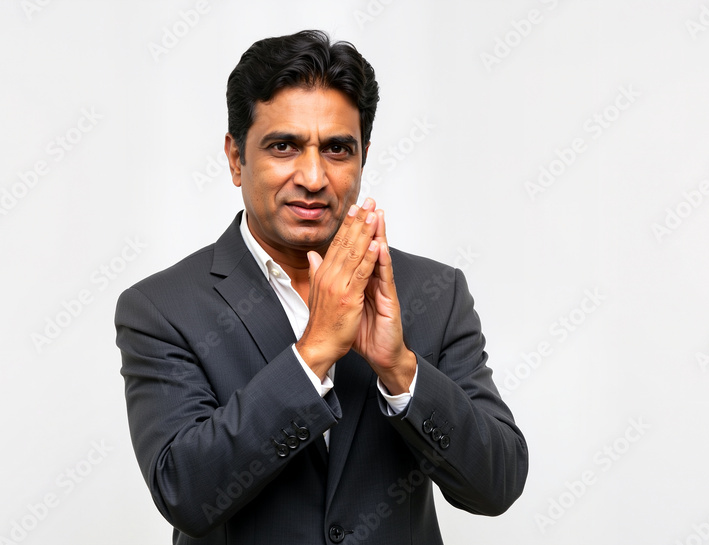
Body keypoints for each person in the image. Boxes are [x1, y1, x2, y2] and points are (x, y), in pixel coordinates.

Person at [115, 30, 528, 545]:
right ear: (236, 158)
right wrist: (312, 354)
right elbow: (185, 493)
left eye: (336, 149)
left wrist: (400, 369)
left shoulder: (435, 293)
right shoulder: (161, 308)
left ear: (362, 158)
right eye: (283, 146)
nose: (313, 177)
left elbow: (497, 485)